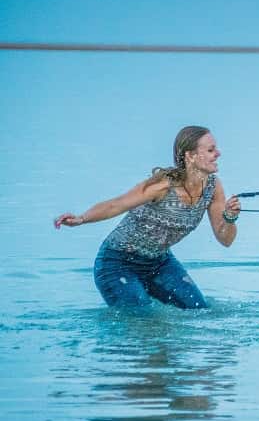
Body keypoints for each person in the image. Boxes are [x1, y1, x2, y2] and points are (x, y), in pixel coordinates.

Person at [54, 126, 241, 309]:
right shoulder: (163, 185)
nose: (218, 153)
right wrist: (81, 219)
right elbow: (117, 204)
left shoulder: (213, 187)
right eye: (210, 150)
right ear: (190, 156)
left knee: (199, 310)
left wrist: (230, 218)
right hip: (117, 263)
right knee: (142, 319)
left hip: (160, 263)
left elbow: (225, 240)